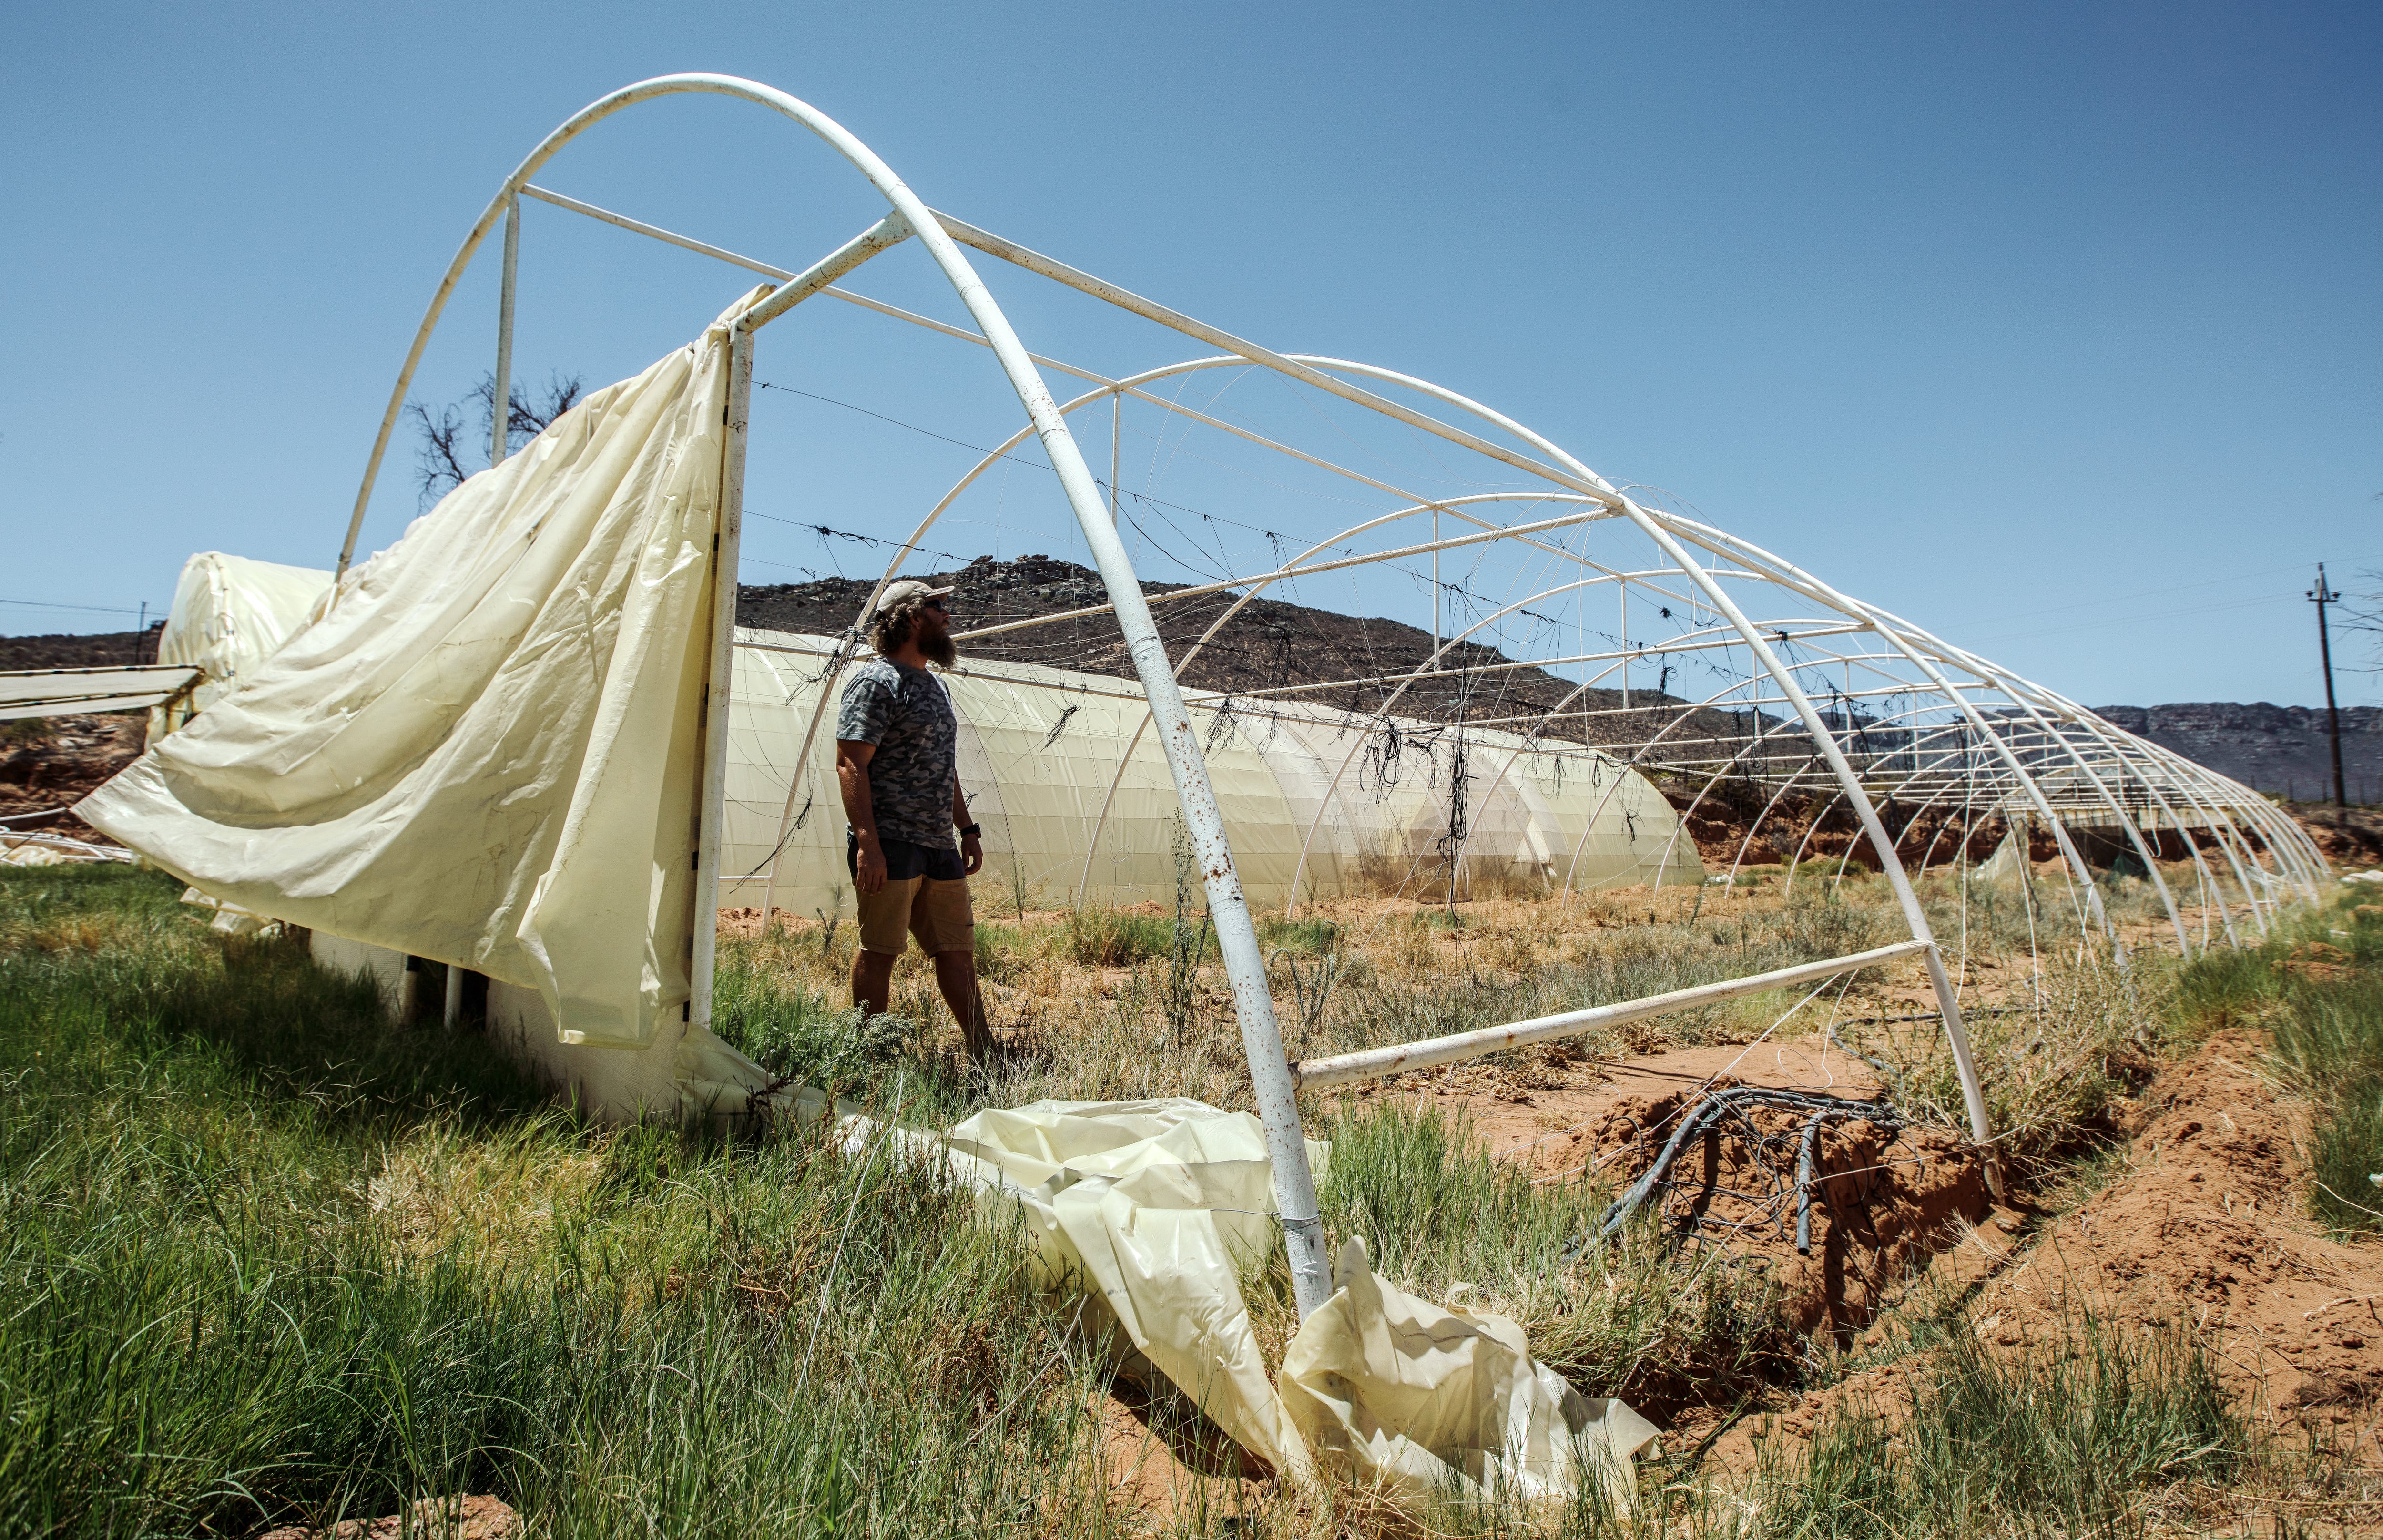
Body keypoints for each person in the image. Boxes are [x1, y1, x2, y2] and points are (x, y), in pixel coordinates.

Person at [834, 577, 992, 1058]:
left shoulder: (936, 688)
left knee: (957, 951)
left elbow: (944, 767)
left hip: (937, 845)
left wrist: (965, 829)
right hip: (892, 843)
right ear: (909, 617)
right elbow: (850, 763)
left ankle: (984, 1049)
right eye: (938, 606)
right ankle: (869, 1057)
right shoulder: (875, 682)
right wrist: (869, 844)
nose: (948, 615)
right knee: (880, 951)